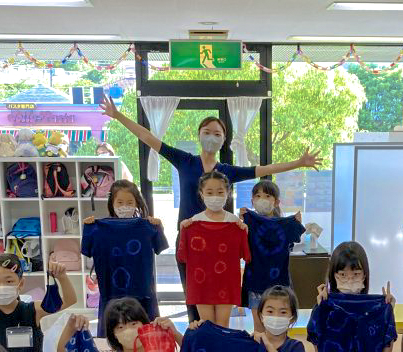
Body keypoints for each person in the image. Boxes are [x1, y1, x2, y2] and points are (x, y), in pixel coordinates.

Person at [99, 95, 321, 319]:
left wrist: (299, 163)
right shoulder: (184, 161)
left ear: (224, 140)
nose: (212, 137)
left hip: (221, 245)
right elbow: (147, 137)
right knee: (194, 303)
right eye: (207, 132)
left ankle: (218, 337)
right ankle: (198, 338)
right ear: (199, 135)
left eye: (217, 134)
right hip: (190, 240)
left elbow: (263, 169)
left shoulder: (227, 171)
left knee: (220, 303)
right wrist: (117, 115)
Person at [82, 178, 167, 336]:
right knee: (114, 339)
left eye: (129, 202)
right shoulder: (97, 229)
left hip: (142, 293)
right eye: (120, 202)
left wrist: (158, 226)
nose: (124, 206)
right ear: (112, 203)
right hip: (111, 294)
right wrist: (89, 227)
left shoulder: (147, 226)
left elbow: (160, 246)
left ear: (136, 203)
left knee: (146, 339)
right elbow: (86, 250)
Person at [177, 172, 250, 326]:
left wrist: (245, 231)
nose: (215, 196)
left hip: (226, 282)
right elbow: (182, 256)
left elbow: (245, 253)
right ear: (201, 194)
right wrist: (183, 229)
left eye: (220, 192)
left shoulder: (235, 223)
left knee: (223, 325)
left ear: (228, 193)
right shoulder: (193, 222)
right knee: (207, 325)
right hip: (201, 283)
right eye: (209, 192)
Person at [240, 179, 305, 331]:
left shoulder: (287, 224)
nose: (262, 199)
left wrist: (296, 223)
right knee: (259, 329)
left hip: (279, 285)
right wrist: (242, 221)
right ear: (252, 201)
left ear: (276, 202)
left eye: (267, 196)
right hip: (255, 282)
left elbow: (295, 239)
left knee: (278, 328)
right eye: (258, 196)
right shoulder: (248, 222)